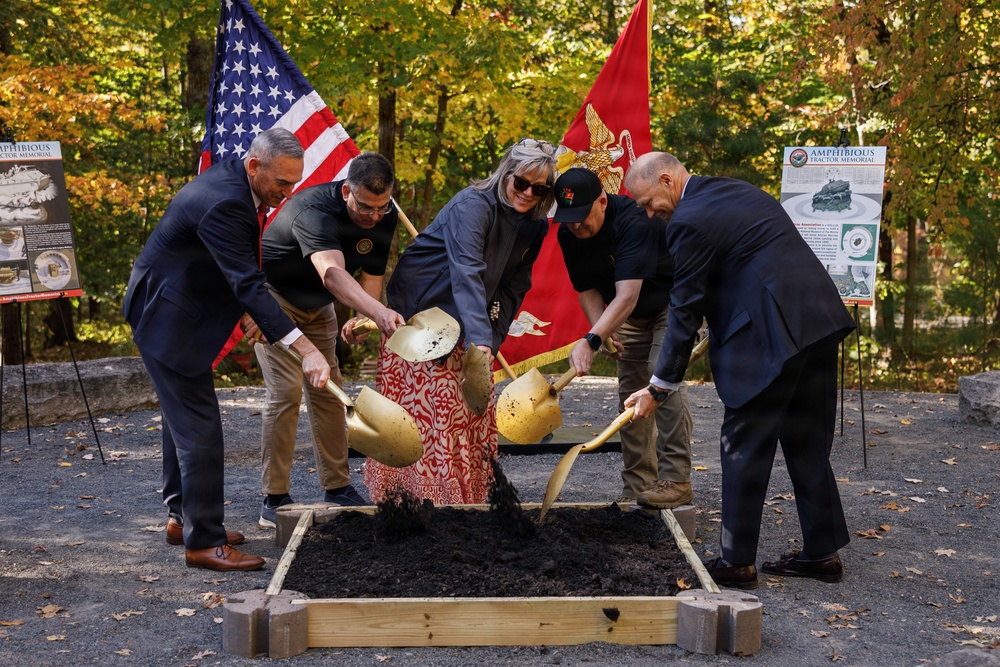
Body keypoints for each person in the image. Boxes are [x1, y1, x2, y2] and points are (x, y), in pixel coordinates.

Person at [623, 151, 856, 590]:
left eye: (647, 201)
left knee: (742, 445)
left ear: (668, 180)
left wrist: (658, 386)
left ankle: (736, 562)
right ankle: (822, 553)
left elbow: (684, 310)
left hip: (770, 334)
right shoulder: (736, 189)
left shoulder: (688, 220)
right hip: (819, 321)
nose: (647, 211)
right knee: (807, 441)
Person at [123, 128, 332, 572]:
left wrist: (250, 313)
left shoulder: (239, 184)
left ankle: (183, 518)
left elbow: (233, 265)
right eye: (282, 183)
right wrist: (306, 348)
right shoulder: (227, 201)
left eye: (295, 183)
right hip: (168, 318)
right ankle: (204, 543)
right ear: (255, 166)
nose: (288, 193)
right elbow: (248, 283)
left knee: (181, 424)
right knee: (201, 431)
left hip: (173, 306)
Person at [363, 138, 558, 505]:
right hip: (424, 315)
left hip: (471, 318)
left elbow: (514, 288)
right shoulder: (473, 205)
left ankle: (467, 497)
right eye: (522, 183)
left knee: (467, 413)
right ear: (506, 174)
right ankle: (415, 500)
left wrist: (490, 341)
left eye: (540, 188)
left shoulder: (535, 225)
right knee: (433, 413)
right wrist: (479, 340)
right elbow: (467, 272)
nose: (529, 193)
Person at [255, 152, 406, 526]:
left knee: (330, 391)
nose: (374, 216)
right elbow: (333, 275)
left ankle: (337, 487)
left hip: (318, 308)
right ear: (345, 192)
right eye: (366, 207)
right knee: (287, 393)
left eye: (382, 207)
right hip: (274, 301)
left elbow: (371, 271)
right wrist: (380, 312)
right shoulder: (314, 212)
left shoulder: (383, 214)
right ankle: (273, 498)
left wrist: (361, 317)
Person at [554, 168, 694, 509]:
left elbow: (628, 295)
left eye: (582, 218)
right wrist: (601, 331)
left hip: (671, 304)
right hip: (627, 315)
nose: (576, 227)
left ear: (602, 201)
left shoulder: (635, 222)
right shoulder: (569, 234)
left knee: (662, 382)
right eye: (568, 219)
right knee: (630, 396)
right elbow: (586, 289)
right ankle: (638, 486)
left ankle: (676, 481)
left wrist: (591, 339)